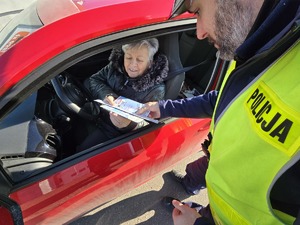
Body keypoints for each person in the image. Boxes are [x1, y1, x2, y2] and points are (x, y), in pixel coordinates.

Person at [138, 0, 300, 224]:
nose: (200, 33)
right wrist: (164, 107)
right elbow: (225, 97)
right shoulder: (254, 46)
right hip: (215, 195)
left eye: (198, 11)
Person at [77, 38, 169, 151]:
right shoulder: (115, 67)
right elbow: (95, 79)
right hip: (96, 114)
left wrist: (129, 125)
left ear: (150, 63)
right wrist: (107, 95)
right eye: (129, 57)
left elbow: (150, 127)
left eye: (139, 60)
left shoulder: (156, 89)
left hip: (114, 133)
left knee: (79, 152)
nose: (132, 64)